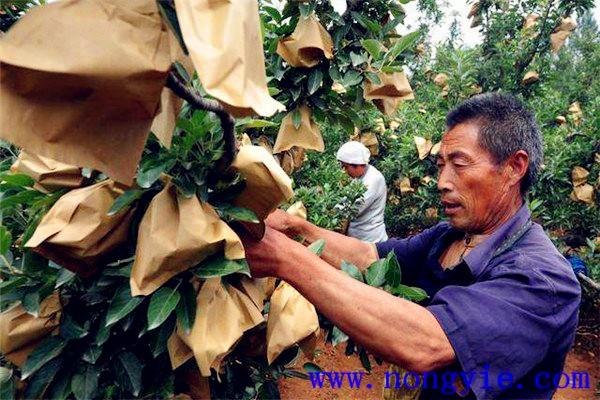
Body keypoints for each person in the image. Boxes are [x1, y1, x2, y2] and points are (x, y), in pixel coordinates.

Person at [241, 93, 581, 399]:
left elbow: (426, 342)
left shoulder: (543, 280)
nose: (443, 182)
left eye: (459, 164)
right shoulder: (448, 236)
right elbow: (369, 256)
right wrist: (297, 227)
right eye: (440, 166)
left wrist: (285, 258)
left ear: (513, 168)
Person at [336, 141, 388, 242]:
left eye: (346, 167)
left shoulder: (373, 179)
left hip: (371, 240)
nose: (345, 171)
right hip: (357, 239)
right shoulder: (359, 177)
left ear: (358, 165)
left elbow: (353, 209)